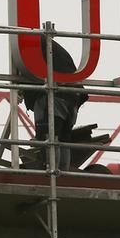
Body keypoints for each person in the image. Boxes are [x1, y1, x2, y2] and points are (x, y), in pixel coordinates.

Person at [20, 36, 88, 171]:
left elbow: (28, 73)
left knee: (49, 137)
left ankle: (52, 173)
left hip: (54, 96)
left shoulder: (30, 47)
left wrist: (22, 91)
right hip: (73, 97)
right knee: (64, 139)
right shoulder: (52, 47)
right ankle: (62, 175)